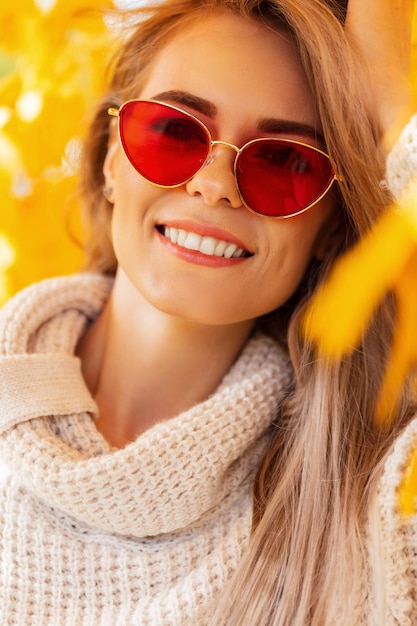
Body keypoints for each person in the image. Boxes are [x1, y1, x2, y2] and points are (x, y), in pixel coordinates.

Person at [0, 0, 415, 623]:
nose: (215, 183)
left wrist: (393, 99)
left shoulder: (375, 497)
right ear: (113, 158)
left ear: (329, 228)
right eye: (175, 132)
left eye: (283, 162)